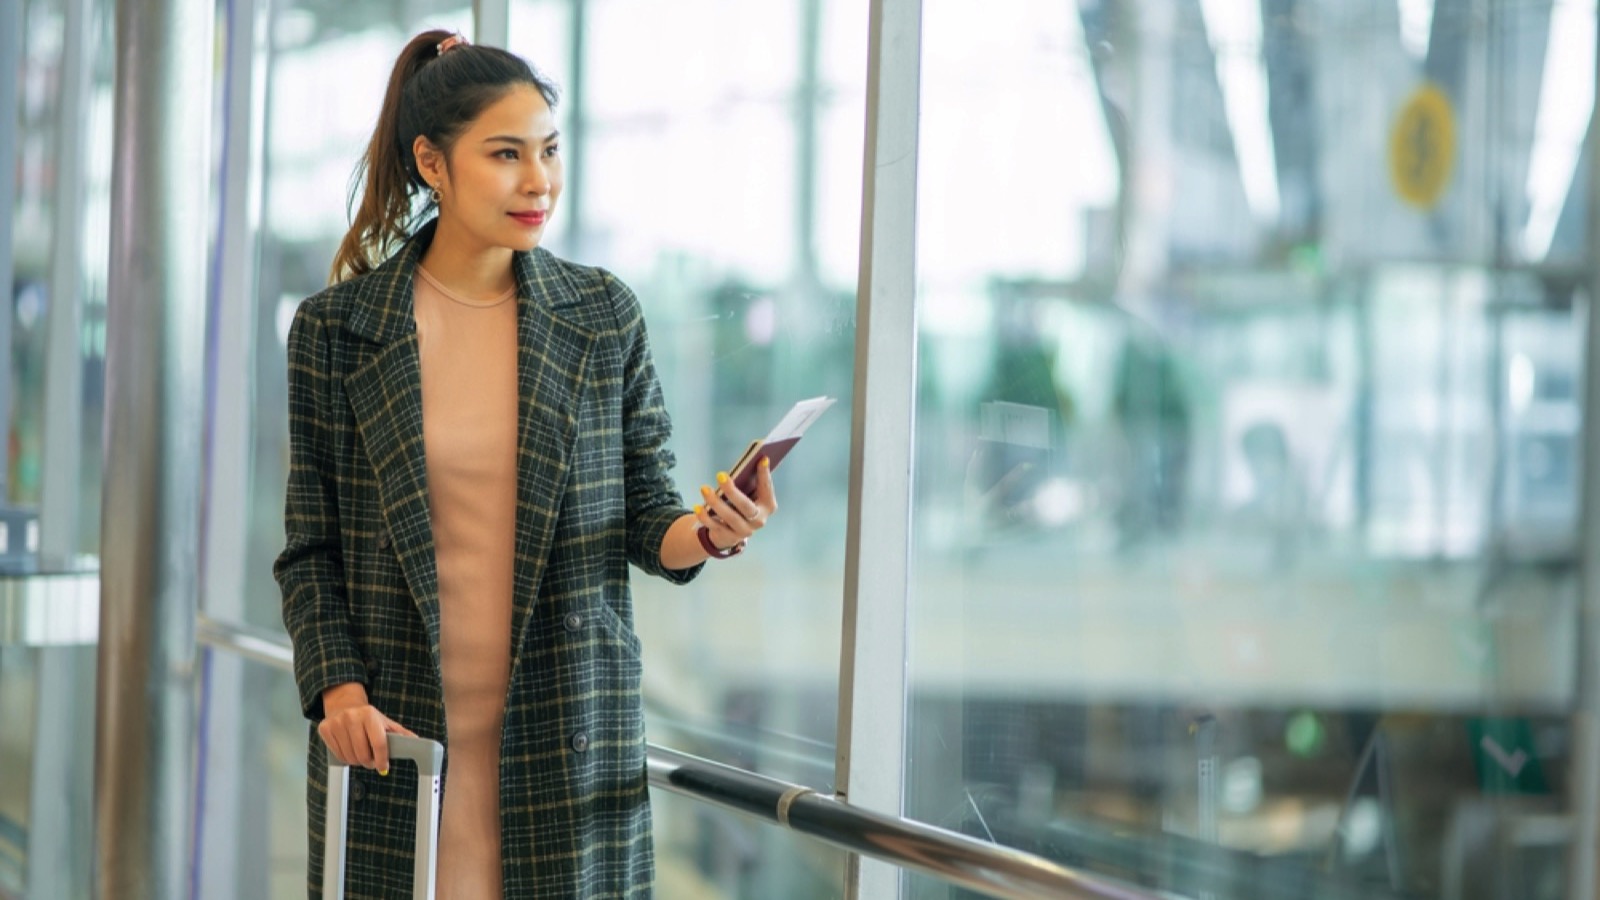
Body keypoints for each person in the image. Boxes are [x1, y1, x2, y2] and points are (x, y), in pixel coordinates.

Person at [273, 30, 776, 899]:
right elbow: (309, 548)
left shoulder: (600, 313)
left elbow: (649, 516)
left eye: (548, 150)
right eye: (505, 154)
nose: (538, 180)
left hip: (567, 747)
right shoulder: (337, 330)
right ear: (433, 162)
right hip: (401, 745)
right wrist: (337, 689)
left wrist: (711, 530)